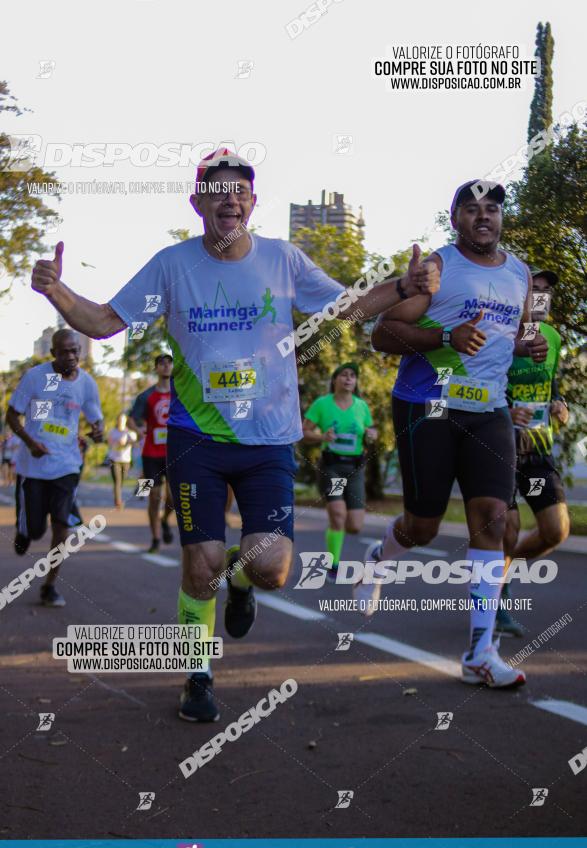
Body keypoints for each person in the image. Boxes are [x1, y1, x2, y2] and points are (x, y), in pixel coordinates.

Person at [30, 148, 439, 720]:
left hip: (269, 440)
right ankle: (198, 675)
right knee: (200, 563)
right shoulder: (171, 267)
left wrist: (401, 285)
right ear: (197, 202)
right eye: (218, 190)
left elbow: (348, 308)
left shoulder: (283, 261)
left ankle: (241, 583)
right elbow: (103, 322)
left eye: (241, 190)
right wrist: (57, 292)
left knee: (272, 568)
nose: (231, 199)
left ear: (251, 202)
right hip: (196, 438)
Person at [369, 179, 548, 689]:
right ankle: (380, 558)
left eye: (492, 209)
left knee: (491, 519)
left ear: (501, 219)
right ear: (456, 219)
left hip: (490, 410)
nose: (484, 217)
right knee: (422, 527)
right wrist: (445, 335)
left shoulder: (520, 275)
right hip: (429, 404)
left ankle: (479, 651)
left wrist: (524, 347)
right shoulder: (439, 269)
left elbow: (508, 337)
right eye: (472, 210)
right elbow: (382, 333)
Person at [6, 329, 103, 607]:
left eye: (76, 351)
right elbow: (12, 414)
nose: (71, 357)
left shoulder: (87, 383)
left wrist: (98, 431)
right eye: (65, 352)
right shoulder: (35, 377)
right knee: (36, 531)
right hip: (34, 465)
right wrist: (30, 442)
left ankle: (49, 586)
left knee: (63, 528)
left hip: (67, 464)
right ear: (53, 354)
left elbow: (96, 418)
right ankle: (25, 529)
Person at [497, 268, 570, 636]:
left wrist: (559, 403)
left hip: (539, 448)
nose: (539, 298)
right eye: (533, 291)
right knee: (507, 528)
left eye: (545, 292)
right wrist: (505, 410)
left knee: (555, 531)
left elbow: (551, 383)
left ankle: (501, 572)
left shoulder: (554, 338)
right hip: (501, 445)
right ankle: (497, 598)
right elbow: (478, 382)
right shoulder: (503, 336)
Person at [302, 362, 377, 581]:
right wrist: (322, 437)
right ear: (335, 379)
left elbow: (371, 432)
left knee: (354, 525)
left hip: (354, 468)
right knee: (338, 515)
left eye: (352, 376)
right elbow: (304, 432)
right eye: (343, 375)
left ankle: (337, 531)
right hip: (332, 467)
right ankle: (333, 564)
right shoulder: (322, 404)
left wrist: (372, 436)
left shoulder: (361, 406)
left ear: (356, 382)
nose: (348, 379)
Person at [128, 354, 174, 551]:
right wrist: (138, 430)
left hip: (174, 453)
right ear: (156, 368)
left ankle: (165, 520)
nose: (165, 367)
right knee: (154, 497)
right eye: (161, 364)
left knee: (173, 499)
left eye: (168, 363)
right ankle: (155, 538)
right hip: (151, 454)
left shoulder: (180, 394)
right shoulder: (146, 396)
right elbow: (131, 419)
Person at [107, 413, 138, 510]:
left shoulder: (130, 433)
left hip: (125, 461)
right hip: (114, 460)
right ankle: (118, 502)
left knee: (122, 481)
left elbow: (135, 443)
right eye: (119, 420)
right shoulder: (113, 431)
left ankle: (117, 493)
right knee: (117, 481)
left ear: (125, 421)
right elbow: (109, 443)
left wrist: (127, 442)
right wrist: (118, 443)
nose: (121, 422)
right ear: (117, 421)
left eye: (123, 420)